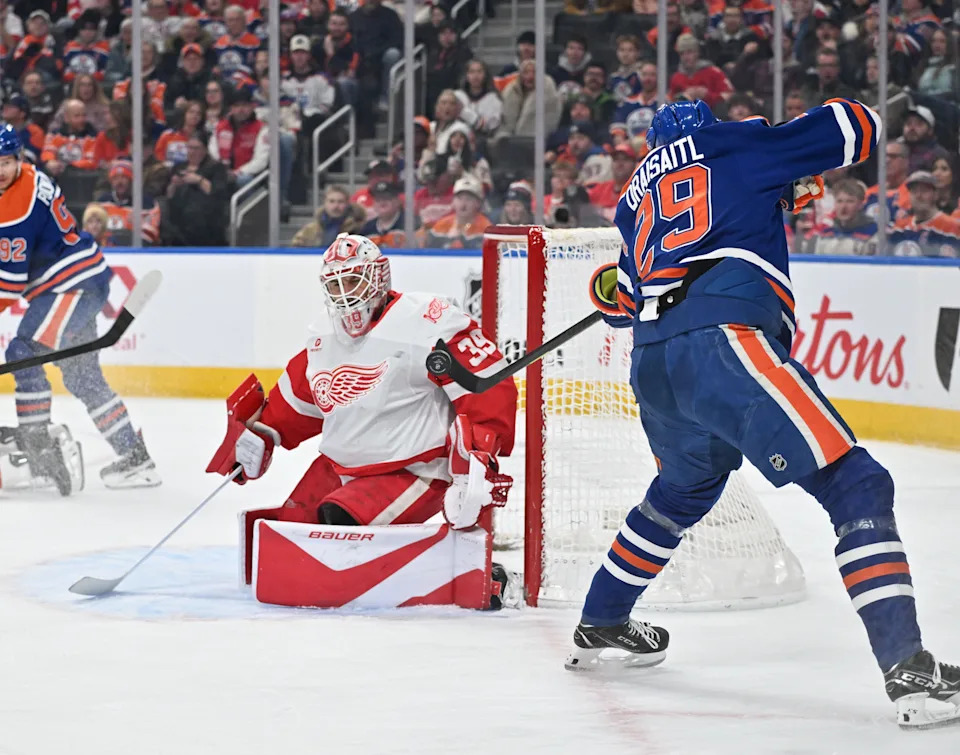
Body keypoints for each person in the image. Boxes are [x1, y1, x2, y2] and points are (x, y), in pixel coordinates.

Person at [572, 99, 960, 728]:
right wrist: (783, 168)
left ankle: (602, 620)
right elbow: (855, 125)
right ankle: (909, 670)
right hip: (722, 339)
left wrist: (770, 195)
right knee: (856, 483)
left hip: (653, 364)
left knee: (678, 495)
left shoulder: (632, 201)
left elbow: (621, 304)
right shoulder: (735, 146)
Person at [207, 234, 518, 604]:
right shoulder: (324, 334)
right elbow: (300, 398)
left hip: (412, 470)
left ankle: (483, 576)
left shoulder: (428, 321)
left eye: (353, 280)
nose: (344, 293)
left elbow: (488, 385)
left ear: (380, 276)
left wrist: (479, 458)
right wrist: (263, 434)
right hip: (339, 467)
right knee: (288, 533)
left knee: (336, 529)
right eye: (335, 284)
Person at [0, 125, 159, 493]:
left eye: (5, 162)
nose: (0, 170)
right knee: (81, 377)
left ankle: (39, 451)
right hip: (84, 278)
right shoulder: (27, 178)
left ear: (19, 160)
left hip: (67, 286)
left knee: (24, 352)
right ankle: (135, 458)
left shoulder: (14, 206)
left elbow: (8, 285)